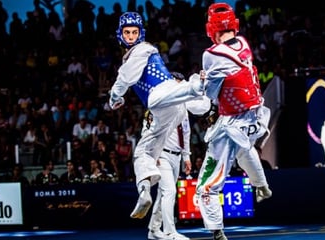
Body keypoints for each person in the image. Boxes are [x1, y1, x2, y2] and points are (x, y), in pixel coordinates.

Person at [108, 12, 205, 219]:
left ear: (140, 33)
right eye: (127, 32)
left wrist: (114, 96)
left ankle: (196, 85)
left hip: (161, 94)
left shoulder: (143, 49)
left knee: (178, 94)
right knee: (142, 152)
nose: (131, 36)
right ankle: (143, 191)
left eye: (134, 32)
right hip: (164, 112)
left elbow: (125, 77)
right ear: (121, 34)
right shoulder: (132, 55)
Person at [195, 3, 272, 240]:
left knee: (206, 185)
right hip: (255, 117)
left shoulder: (211, 54)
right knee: (244, 150)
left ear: (211, 28)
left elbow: (208, 95)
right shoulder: (244, 44)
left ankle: (217, 232)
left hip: (233, 123)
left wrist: (200, 81)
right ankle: (261, 185)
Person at [147, 72, 210, 240]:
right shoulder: (159, 104)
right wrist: (154, 153)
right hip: (162, 155)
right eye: (177, 84)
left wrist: (186, 156)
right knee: (169, 191)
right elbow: (147, 130)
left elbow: (186, 132)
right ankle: (169, 231)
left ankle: (153, 230)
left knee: (164, 193)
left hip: (176, 156)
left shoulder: (183, 106)